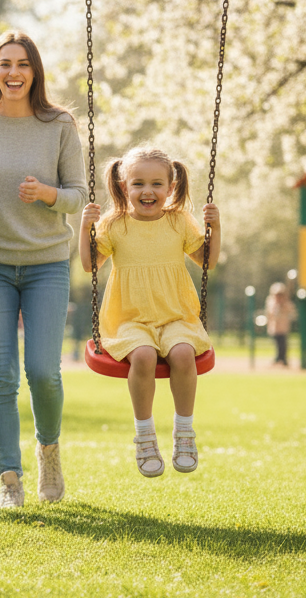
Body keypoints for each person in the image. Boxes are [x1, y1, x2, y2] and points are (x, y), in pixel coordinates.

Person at [0, 30, 88, 509]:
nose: (13, 73)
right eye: (4, 63)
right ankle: (10, 481)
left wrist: (49, 195)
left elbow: (79, 195)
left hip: (47, 264)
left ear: (35, 71)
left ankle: (48, 450)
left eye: (22, 64)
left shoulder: (59, 125)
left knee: (43, 372)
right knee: (1, 375)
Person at [79, 146, 220, 479]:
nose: (147, 191)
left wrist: (216, 227)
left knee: (184, 354)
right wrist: (86, 228)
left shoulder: (178, 221)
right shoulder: (114, 224)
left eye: (157, 184)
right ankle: (144, 436)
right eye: (138, 183)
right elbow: (89, 266)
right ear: (124, 186)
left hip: (176, 316)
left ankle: (184, 433)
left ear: (170, 187)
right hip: (129, 320)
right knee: (142, 356)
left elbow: (207, 261)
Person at [265, 282, 296, 366]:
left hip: (283, 328)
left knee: (283, 344)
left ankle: (283, 359)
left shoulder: (287, 303)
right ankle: (279, 358)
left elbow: (293, 313)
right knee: (277, 344)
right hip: (274, 328)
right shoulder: (271, 302)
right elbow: (270, 314)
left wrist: (284, 305)